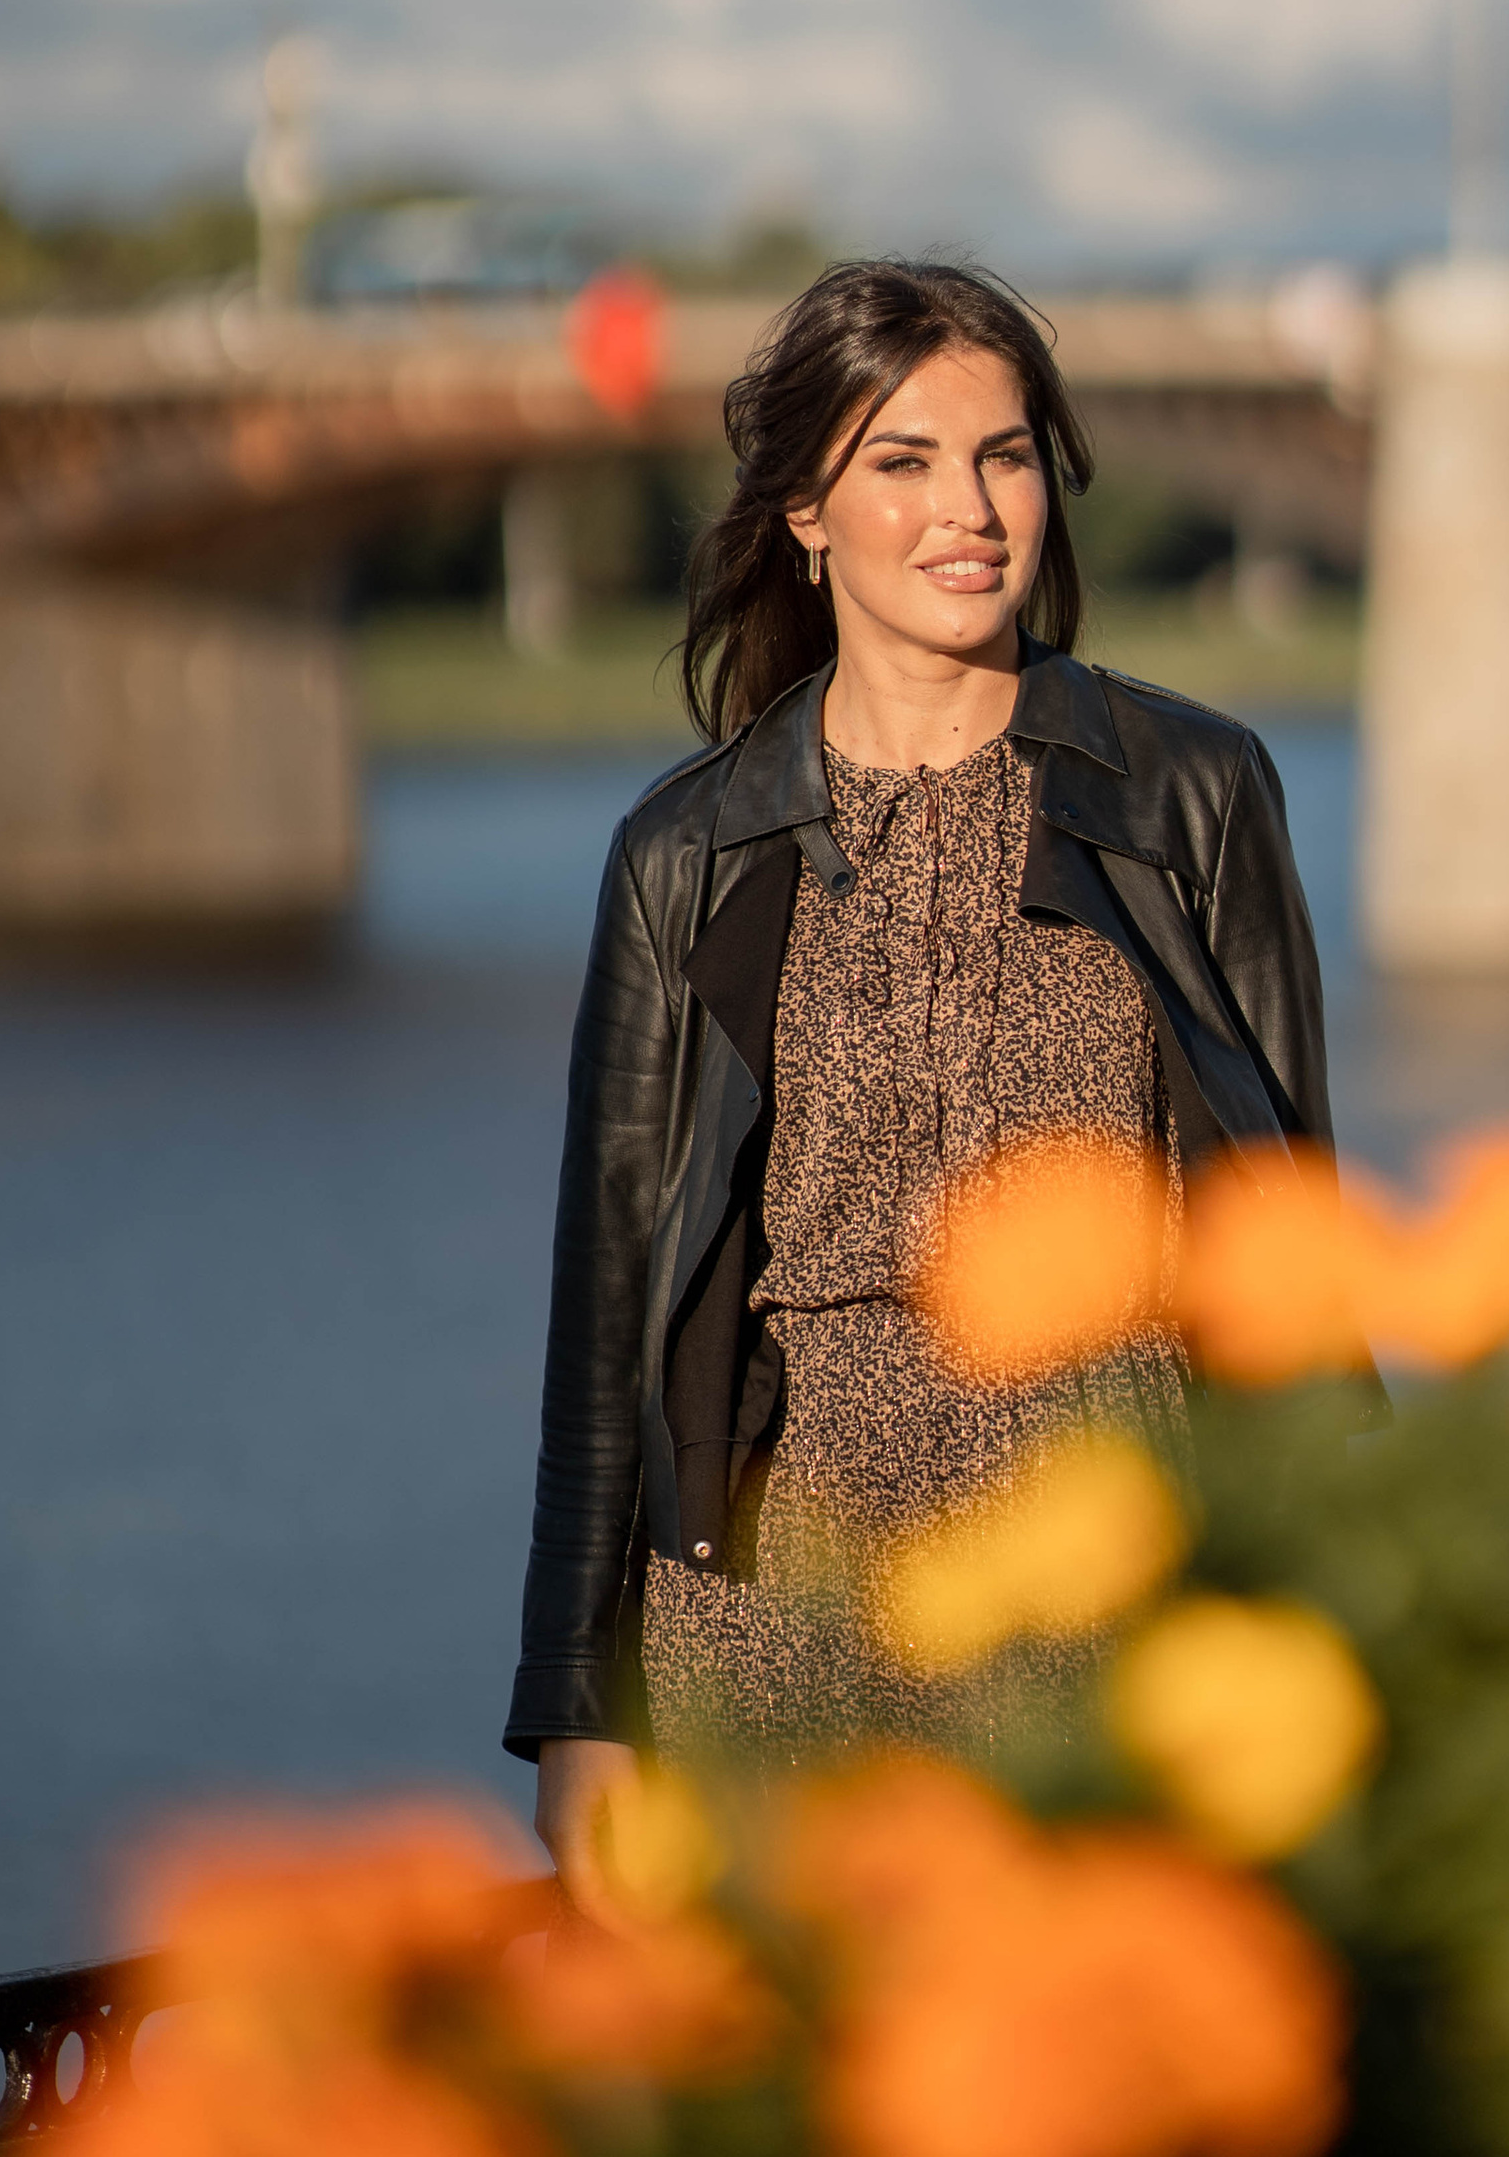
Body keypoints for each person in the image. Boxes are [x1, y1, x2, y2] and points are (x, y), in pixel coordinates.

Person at [506, 257, 1337, 1911]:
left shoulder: (1192, 792)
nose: (969, 507)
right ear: (806, 512)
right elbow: (611, 1299)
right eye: (903, 461)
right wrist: (578, 1709)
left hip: (1113, 1561)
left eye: (1005, 455)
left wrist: (1323, 1621)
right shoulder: (687, 850)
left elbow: (1295, 1252)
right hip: (780, 1596)